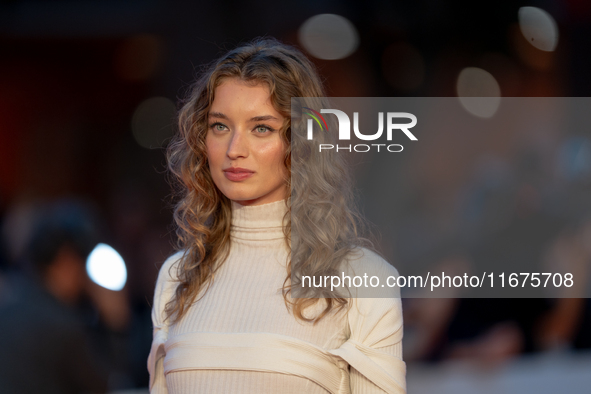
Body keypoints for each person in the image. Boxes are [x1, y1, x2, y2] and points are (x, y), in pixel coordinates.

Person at [148, 38, 406, 394]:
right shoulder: (177, 278)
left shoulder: (363, 281)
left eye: (261, 128)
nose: (234, 150)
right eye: (220, 126)